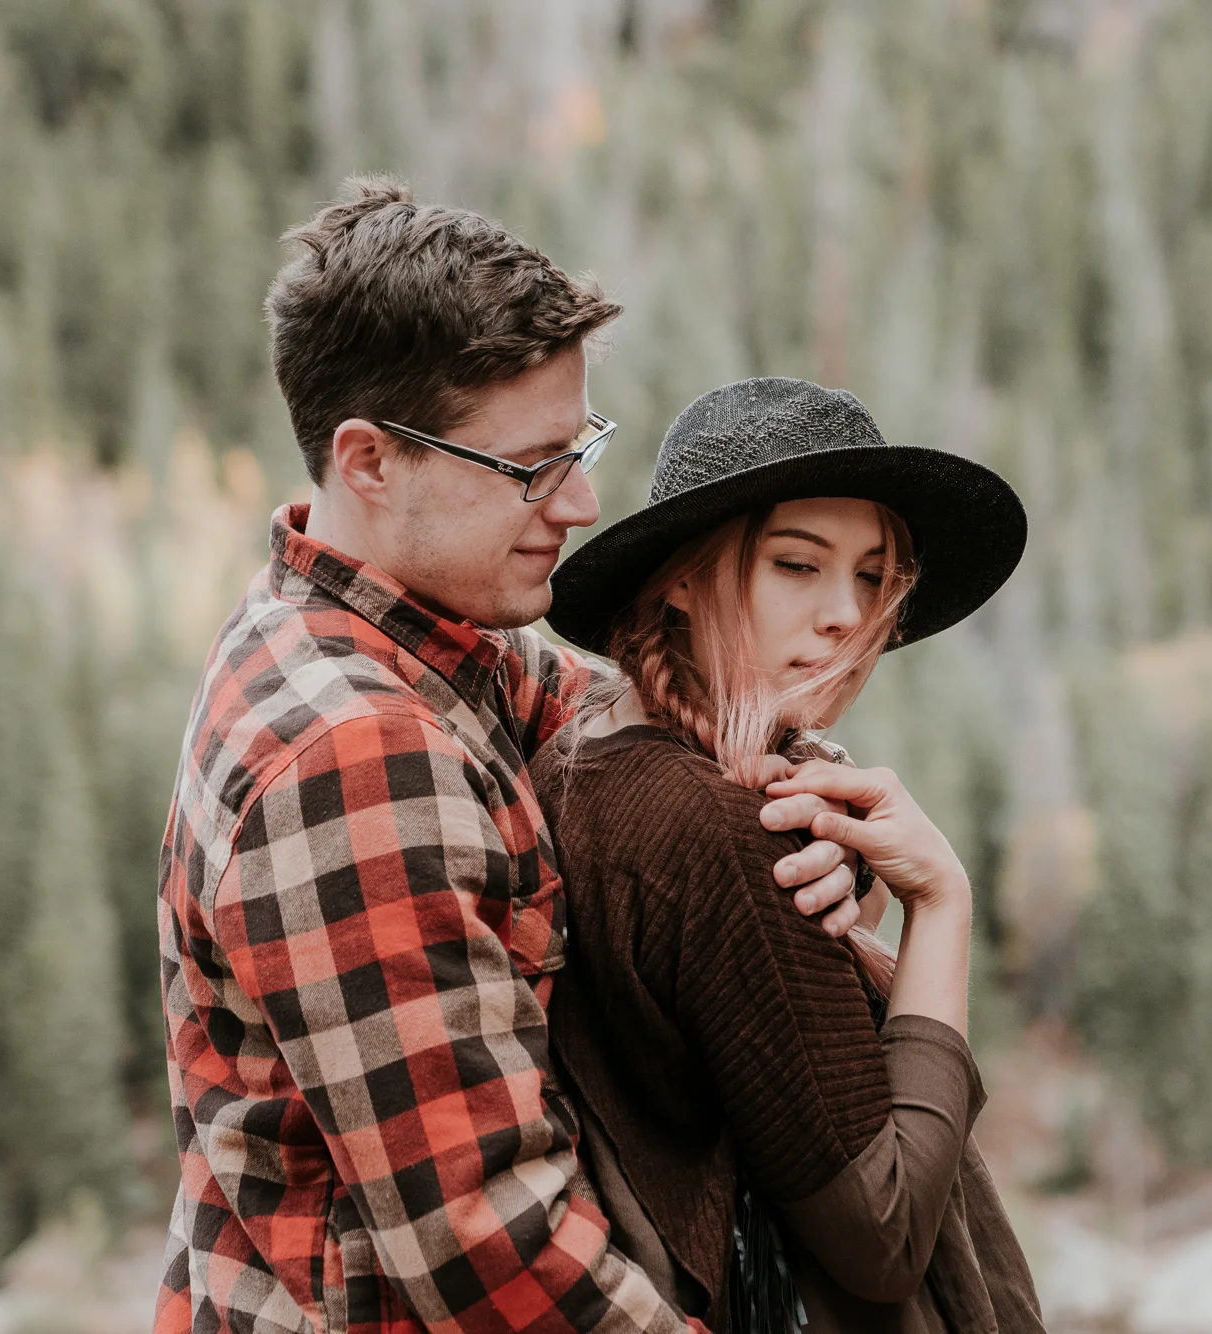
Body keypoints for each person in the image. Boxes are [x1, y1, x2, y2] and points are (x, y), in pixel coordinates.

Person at [153, 181, 868, 1334]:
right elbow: (492, 1245)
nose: (579, 502)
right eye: (531, 466)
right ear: (368, 459)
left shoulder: (428, 643)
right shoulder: (353, 755)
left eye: (580, 446)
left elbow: (647, 717)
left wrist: (818, 804)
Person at [533, 377, 1045, 1333]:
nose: (848, 614)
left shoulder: (591, 750)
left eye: (872, 575)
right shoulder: (721, 832)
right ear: (681, 578)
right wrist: (941, 900)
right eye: (798, 565)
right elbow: (885, 1234)